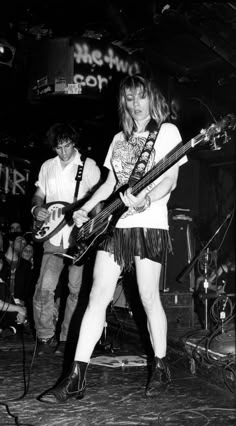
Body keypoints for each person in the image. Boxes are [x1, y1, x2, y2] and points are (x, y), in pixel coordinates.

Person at [38, 73, 187, 403]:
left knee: (148, 298)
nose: (136, 105)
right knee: (96, 296)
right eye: (130, 99)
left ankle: (160, 367)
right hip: (116, 226)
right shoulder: (119, 139)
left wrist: (148, 199)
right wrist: (83, 208)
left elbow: (170, 179)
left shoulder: (166, 131)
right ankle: (75, 376)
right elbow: (109, 184)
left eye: (141, 97)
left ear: (152, 98)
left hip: (149, 223)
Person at [31, 122, 101, 356]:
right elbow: (39, 194)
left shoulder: (88, 166)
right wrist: (36, 210)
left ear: (74, 143)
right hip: (52, 236)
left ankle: (67, 338)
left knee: (75, 291)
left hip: (78, 236)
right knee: (44, 288)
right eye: (58, 148)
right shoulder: (47, 166)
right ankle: (45, 336)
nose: (63, 152)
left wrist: (95, 225)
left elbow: (99, 201)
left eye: (67, 146)